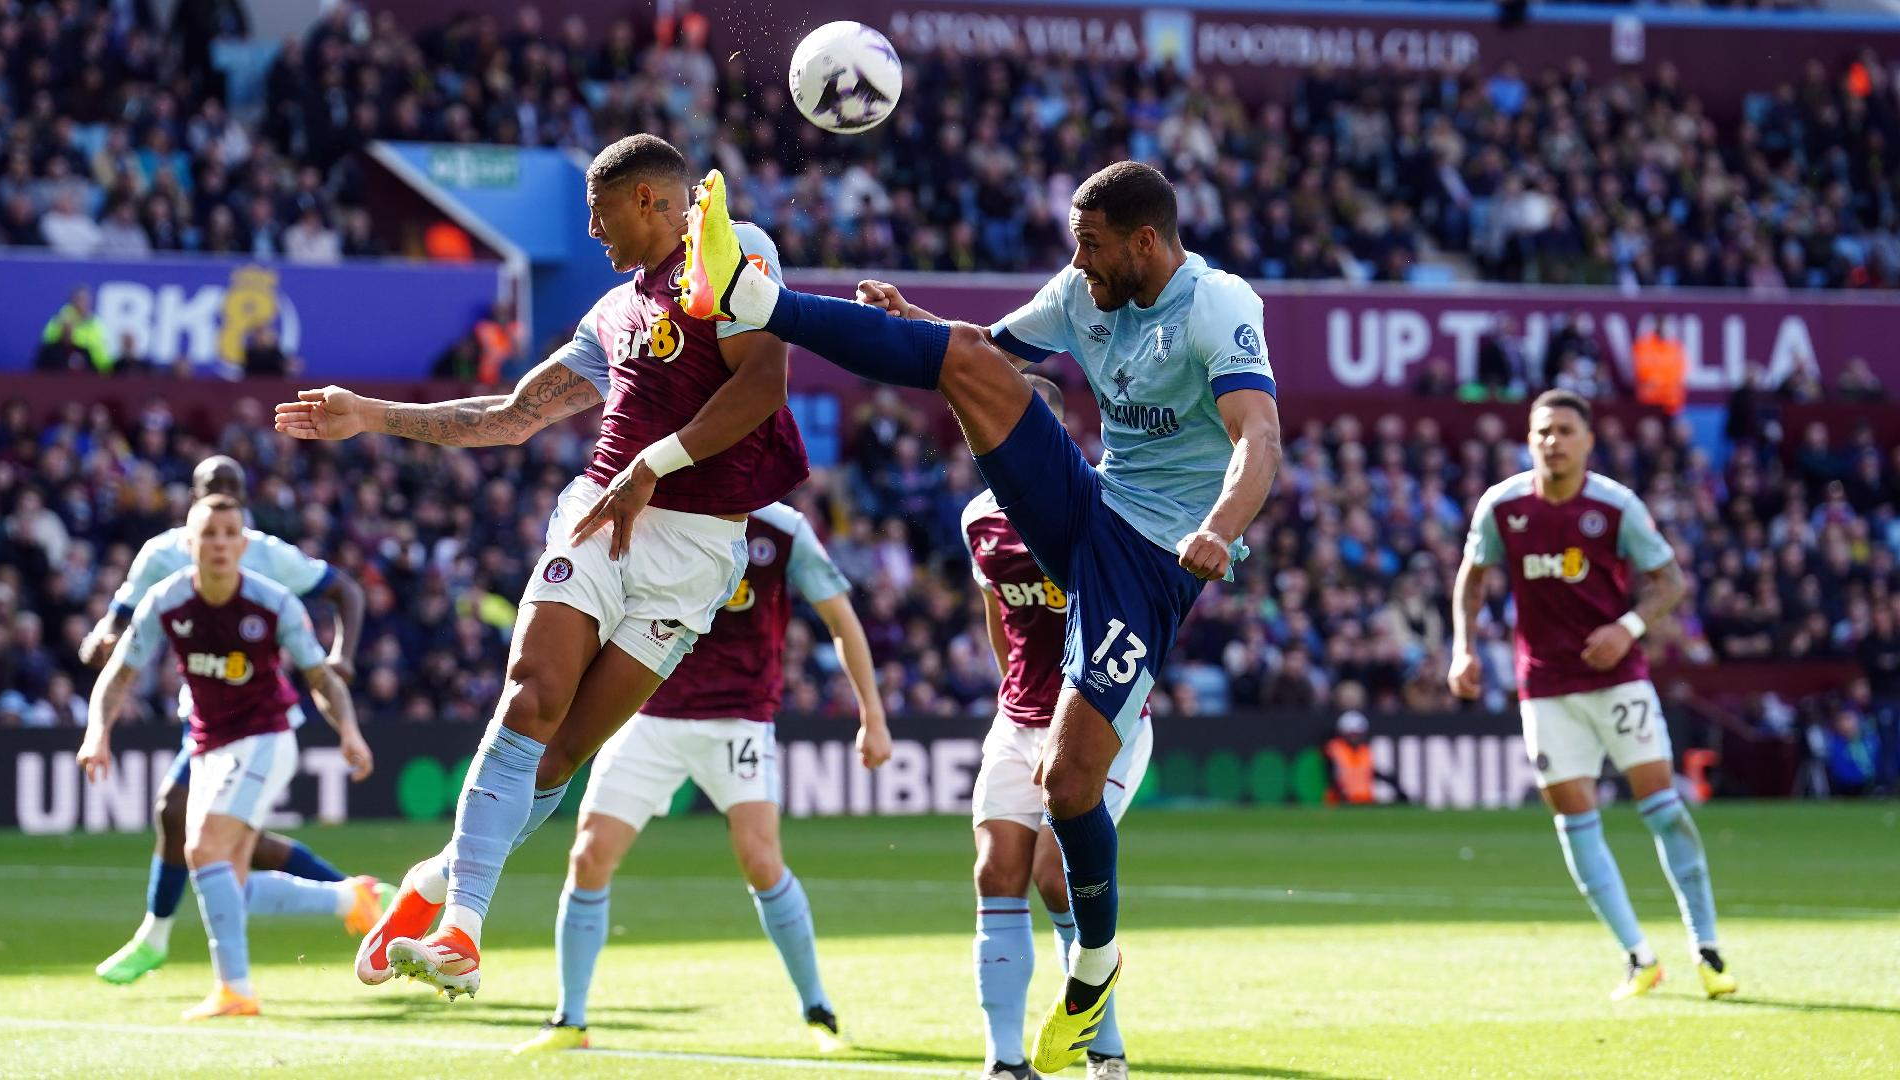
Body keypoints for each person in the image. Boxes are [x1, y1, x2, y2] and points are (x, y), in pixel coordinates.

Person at [677, 160, 1280, 1071]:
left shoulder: (1216, 305)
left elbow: (1259, 438)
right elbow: (985, 350)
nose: (1079, 262)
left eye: (1093, 244)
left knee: (1069, 787)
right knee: (959, 357)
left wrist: (1218, 530)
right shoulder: (1084, 292)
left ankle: (1096, 969)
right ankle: (760, 302)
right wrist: (916, 325)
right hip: (1088, 505)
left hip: (1154, 559)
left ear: (1146, 240)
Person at [273, 134, 806, 999]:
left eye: (599, 215)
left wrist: (655, 467)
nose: (593, 235)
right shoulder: (611, 315)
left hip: (699, 548)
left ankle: (431, 884)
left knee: (559, 759)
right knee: (531, 697)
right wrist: (369, 413)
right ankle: (464, 930)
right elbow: (511, 416)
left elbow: (762, 384)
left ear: (645, 200)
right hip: (600, 515)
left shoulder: (734, 250)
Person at [515, 500, 890, 1055]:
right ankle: (570, 1020)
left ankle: (819, 1011)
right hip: (649, 713)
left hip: (738, 718)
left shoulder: (783, 530)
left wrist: (873, 717)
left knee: (762, 862)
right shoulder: (656, 505)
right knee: (589, 856)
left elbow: (840, 619)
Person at [1449, 389, 1736, 1001]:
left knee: (1664, 809)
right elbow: (1471, 579)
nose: (1553, 442)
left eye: (1565, 431)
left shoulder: (1615, 506)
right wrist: (1464, 648)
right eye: (1542, 432)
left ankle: (1706, 948)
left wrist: (1627, 627)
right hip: (1546, 689)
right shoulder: (1503, 507)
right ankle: (1639, 956)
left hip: (1618, 680)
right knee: (1575, 823)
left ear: (1588, 441)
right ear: (1529, 441)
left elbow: (1671, 581)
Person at [77, 494, 374, 1019]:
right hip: (208, 745)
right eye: (207, 534)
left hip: (265, 737)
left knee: (202, 847)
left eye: (228, 533)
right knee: (226, 881)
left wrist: (347, 730)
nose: (218, 543)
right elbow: (119, 674)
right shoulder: (165, 601)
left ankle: (234, 990)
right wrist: (96, 732)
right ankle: (352, 900)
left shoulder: (275, 603)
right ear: (188, 544)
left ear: (244, 543)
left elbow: (320, 676)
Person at [962, 375, 1151, 1080]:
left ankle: (1102, 1042)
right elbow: (1000, 622)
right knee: (995, 873)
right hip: (1019, 719)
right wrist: (1014, 695)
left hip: (1102, 717)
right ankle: (1005, 1061)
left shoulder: (1103, 506)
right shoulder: (977, 518)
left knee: (1052, 875)